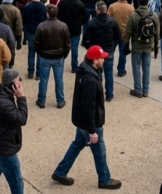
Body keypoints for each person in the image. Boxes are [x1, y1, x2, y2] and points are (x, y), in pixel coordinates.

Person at [52, 46, 121, 190]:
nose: (104, 59)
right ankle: (104, 179)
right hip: (90, 124)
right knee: (99, 151)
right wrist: (92, 131)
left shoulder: (86, 69)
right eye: (101, 58)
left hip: (81, 121)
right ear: (95, 60)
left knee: (77, 144)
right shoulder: (90, 80)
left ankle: (60, 172)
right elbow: (88, 107)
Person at [82, 1, 120, 102]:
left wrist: (90, 49)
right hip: (108, 50)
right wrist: (112, 47)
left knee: (96, 74)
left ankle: (97, 94)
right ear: (106, 10)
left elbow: (86, 39)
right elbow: (118, 37)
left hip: (96, 52)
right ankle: (109, 94)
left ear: (97, 10)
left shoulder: (92, 22)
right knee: (109, 73)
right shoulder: (112, 21)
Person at [123, 0, 159, 98]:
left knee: (136, 67)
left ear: (138, 2)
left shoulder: (134, 15)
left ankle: (138, 90)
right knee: (147, 68)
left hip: (137, 45)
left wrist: (125, 44)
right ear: (148, 2)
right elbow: (157, 32)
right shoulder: (154, 15)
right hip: (149, 45)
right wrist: (155, 46)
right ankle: (146, 90)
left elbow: (128, 32)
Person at [34, 5, 69, 109]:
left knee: (43, 80)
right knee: (59, 79)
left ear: (47, 14)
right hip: (58, 56)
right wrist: (64, 54)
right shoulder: (63, 26)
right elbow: (67, 43)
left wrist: (39, 52)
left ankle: (41, 101)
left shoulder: (41, 26)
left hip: (45, 56)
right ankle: (60, 101)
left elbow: (36, 42)